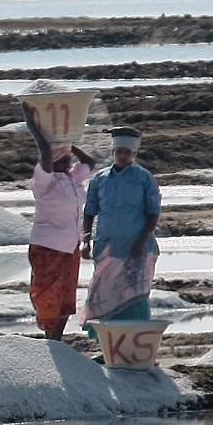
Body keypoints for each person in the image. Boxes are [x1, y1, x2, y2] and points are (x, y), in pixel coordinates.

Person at [24, 114, 95, 341]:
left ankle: (57, 339)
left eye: (67, 161)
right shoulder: (45, 182)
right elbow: (45, 154)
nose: (66, 165)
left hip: (70, 246)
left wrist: (68, 143)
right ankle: (50, 337)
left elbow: (89, 162)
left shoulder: (72, 179)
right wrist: (36, 129)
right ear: (51, 163)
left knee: (65, 292)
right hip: (48, 246)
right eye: (61, 161)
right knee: (47, 294)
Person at [82, 126, 161, 324]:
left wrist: (141, 240)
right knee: (104, 291)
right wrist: (85, 240)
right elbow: (90, 210)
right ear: (113, 152)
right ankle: (106, 337)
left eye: (127, 152)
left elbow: (153, 212)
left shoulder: (144, 178)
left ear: (134, 154)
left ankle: (136, 335)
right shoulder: (100, 179)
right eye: (119, 151)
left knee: (134, 292)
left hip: (137, 248)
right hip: (107, 246)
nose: (123, 155)